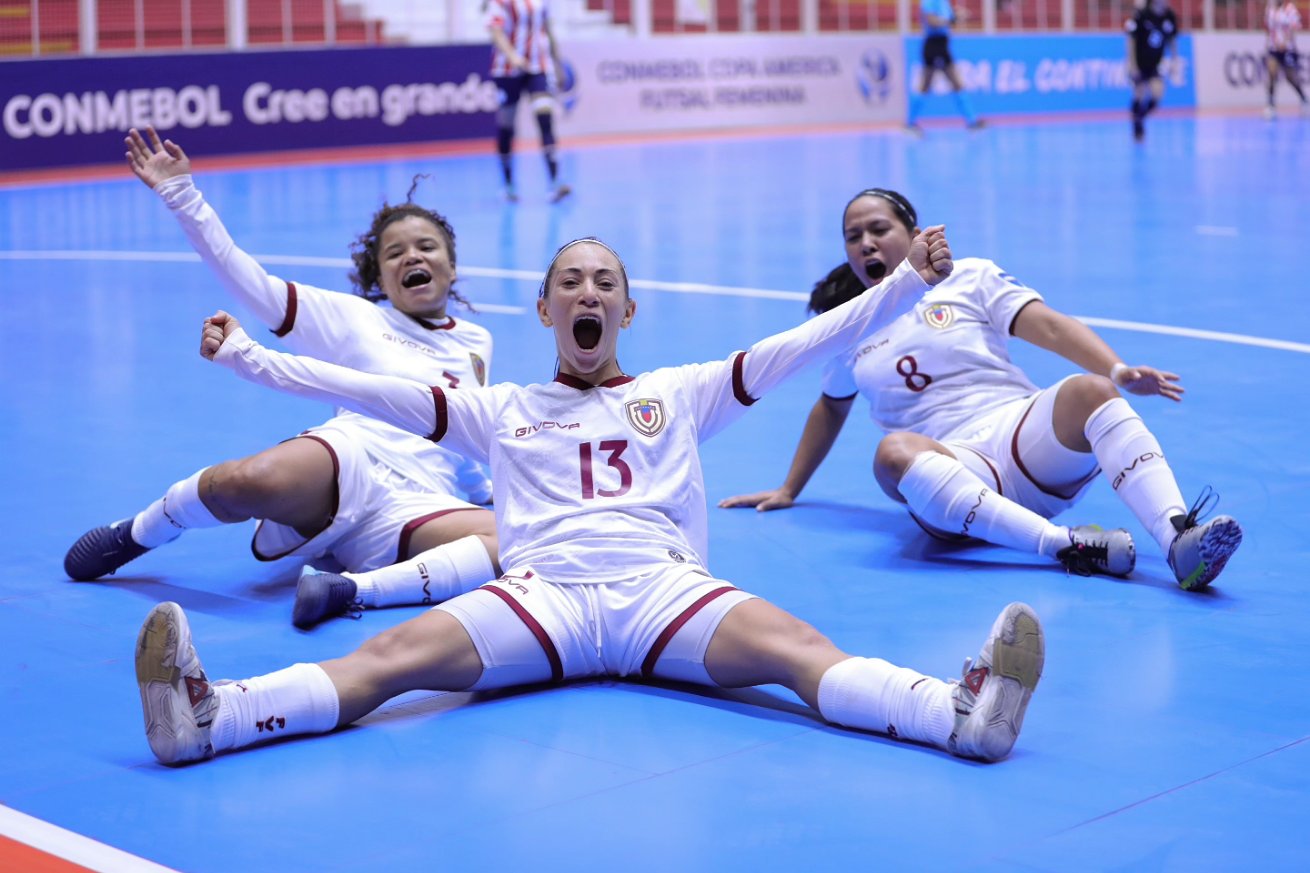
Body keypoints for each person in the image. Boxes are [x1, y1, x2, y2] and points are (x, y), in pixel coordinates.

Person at [134, 233, 1049, 768]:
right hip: (543, 596)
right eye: (569, 280)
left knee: (802, 655)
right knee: (390, 657)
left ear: (626, 310)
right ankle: (209, 719)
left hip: (662, 591)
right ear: (544, 312)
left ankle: (959, 716)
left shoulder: (685, 392)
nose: (587, 291)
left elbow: (811, 339)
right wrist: (249, 358)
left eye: (603, 281)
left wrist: (903, 286)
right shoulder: (498, 411)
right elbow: (365, 390)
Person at [64, 127, 501, 629]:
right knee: (246, 481)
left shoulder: (476, 343)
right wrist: (182, 194)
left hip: (423, 499)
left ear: (451, 265)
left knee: (518, 545)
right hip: (353, 460)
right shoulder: (357, 316)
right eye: (395, 253)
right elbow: (253, 286)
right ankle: (137, 534)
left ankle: (352, 590)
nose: (413, 257)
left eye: (427, 246)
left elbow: (461, 427)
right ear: (379, 278)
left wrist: (492, 487)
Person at [721, 189, 1242, 592]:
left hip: (1023, 436)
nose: (865, 243)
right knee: (891, 452)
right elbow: (830, 408)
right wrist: (790, 488)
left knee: (1090, 389)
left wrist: (1118, 369)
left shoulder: (968, 278)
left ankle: (1179, 540)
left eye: (878, 228)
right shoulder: (847, 326)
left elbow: (1052, 327)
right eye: (853, 236)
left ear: (915, 232)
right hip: (951, 471)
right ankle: (1068, 547)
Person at [486, 0, 570, 203]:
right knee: (507, 126)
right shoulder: (500, 2)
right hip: (506, 70)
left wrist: (557, 63)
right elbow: (496, 32)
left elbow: (547, 29)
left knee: (545, 119)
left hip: (537, 68)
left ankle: (555, 183)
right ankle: (508, 185)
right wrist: (512, 56)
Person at [905, 0, 983, 134]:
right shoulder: (928, 2)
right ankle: (910, 123)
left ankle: (972, 121)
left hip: (943, 44)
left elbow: (949, 18)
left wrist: (958, 16)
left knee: (956, 83)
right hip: (932, 45)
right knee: (925, 85)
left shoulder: (944, 2)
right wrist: (951, 19)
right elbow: (932, 21)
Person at [1125, 0, 1179, 141]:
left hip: (1156, 63)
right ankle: (1137, 125)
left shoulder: (1169, 16)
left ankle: (1139, 119)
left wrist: (1174, 61)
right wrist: (1132, 64)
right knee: (1139, 94)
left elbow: (1172, 40)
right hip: (1140, 61)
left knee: (1157, 94)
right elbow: (1131, 40)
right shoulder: (1142, 14)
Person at [1264, 0, 1309, 119]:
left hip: (1288, 49)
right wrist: (1268, 43)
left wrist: (1285, 42)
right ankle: (1270, 105)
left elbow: (1294, 29)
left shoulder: (1290, 9)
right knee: (1271, 73)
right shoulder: (1269, 9)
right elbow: (1269, 30)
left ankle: (1304, 99)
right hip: (1274, 48)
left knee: (1290, 77)